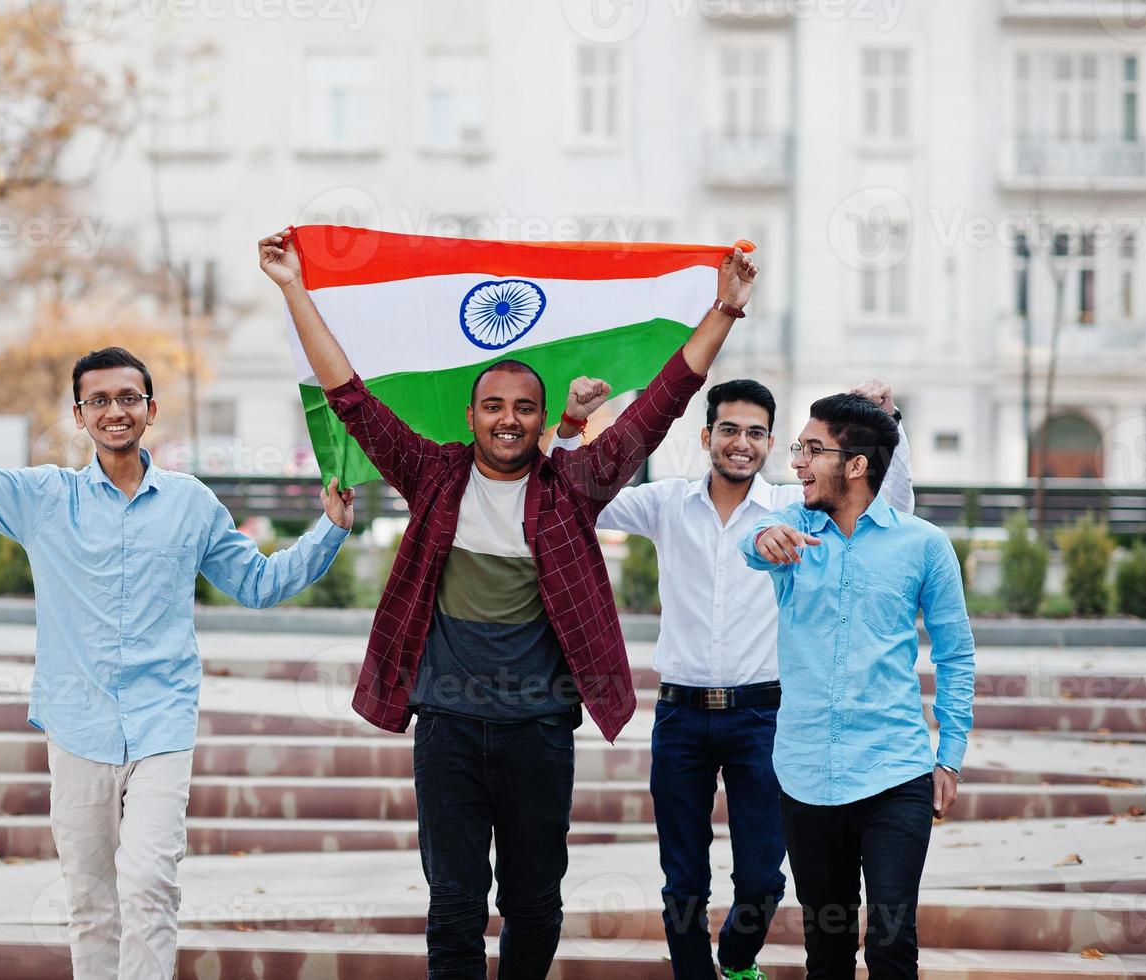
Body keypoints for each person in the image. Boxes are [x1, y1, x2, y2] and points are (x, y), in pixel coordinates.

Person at [260, 226, 757, 978]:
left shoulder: (571, 487)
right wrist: (293, 287)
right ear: (470, 416)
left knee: (533, 906)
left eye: (524, 407)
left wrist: (721, 311)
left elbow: (659, 404)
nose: (508, 419)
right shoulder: (431, 476)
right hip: (448, 729)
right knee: (453, 905)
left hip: (538, 731)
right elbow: (351, 398)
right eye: (492, 405)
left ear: (540, 415)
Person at [0, 347, 355, 980]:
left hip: (162, 725)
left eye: (128, 398)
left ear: (150, 409)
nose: (116, 411)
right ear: (79, 416)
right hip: (77, 725)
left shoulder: (191, 503)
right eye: (99, 401)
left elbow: (257, 584)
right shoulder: (43, 497)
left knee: (148, 885)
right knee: (89, 903)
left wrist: (328, 528)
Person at [547, 377, 913, 980]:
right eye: (729, 430)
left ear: (770, 444)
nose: (741, 443)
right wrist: (568, 429)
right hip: (681, 718)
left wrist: (884, 420)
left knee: (765, 876)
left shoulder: (796, 513)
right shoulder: (667, 503)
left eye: (755, 433)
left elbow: (890, 509)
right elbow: (574, 494)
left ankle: (737, 961)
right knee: (683, 877)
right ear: (706, 436)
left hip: (765, 718)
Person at [738, 393, 974, 980]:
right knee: (828, 948)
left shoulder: (924, 545)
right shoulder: (791, 529)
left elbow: (956, 653)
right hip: (806, 773)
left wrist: (949, 758)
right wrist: (762, 540)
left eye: (812, 450)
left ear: (857, 465)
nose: (797, 462)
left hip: (895, 771)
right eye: (798, 447)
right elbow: (754, 540)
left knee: (893, 942)